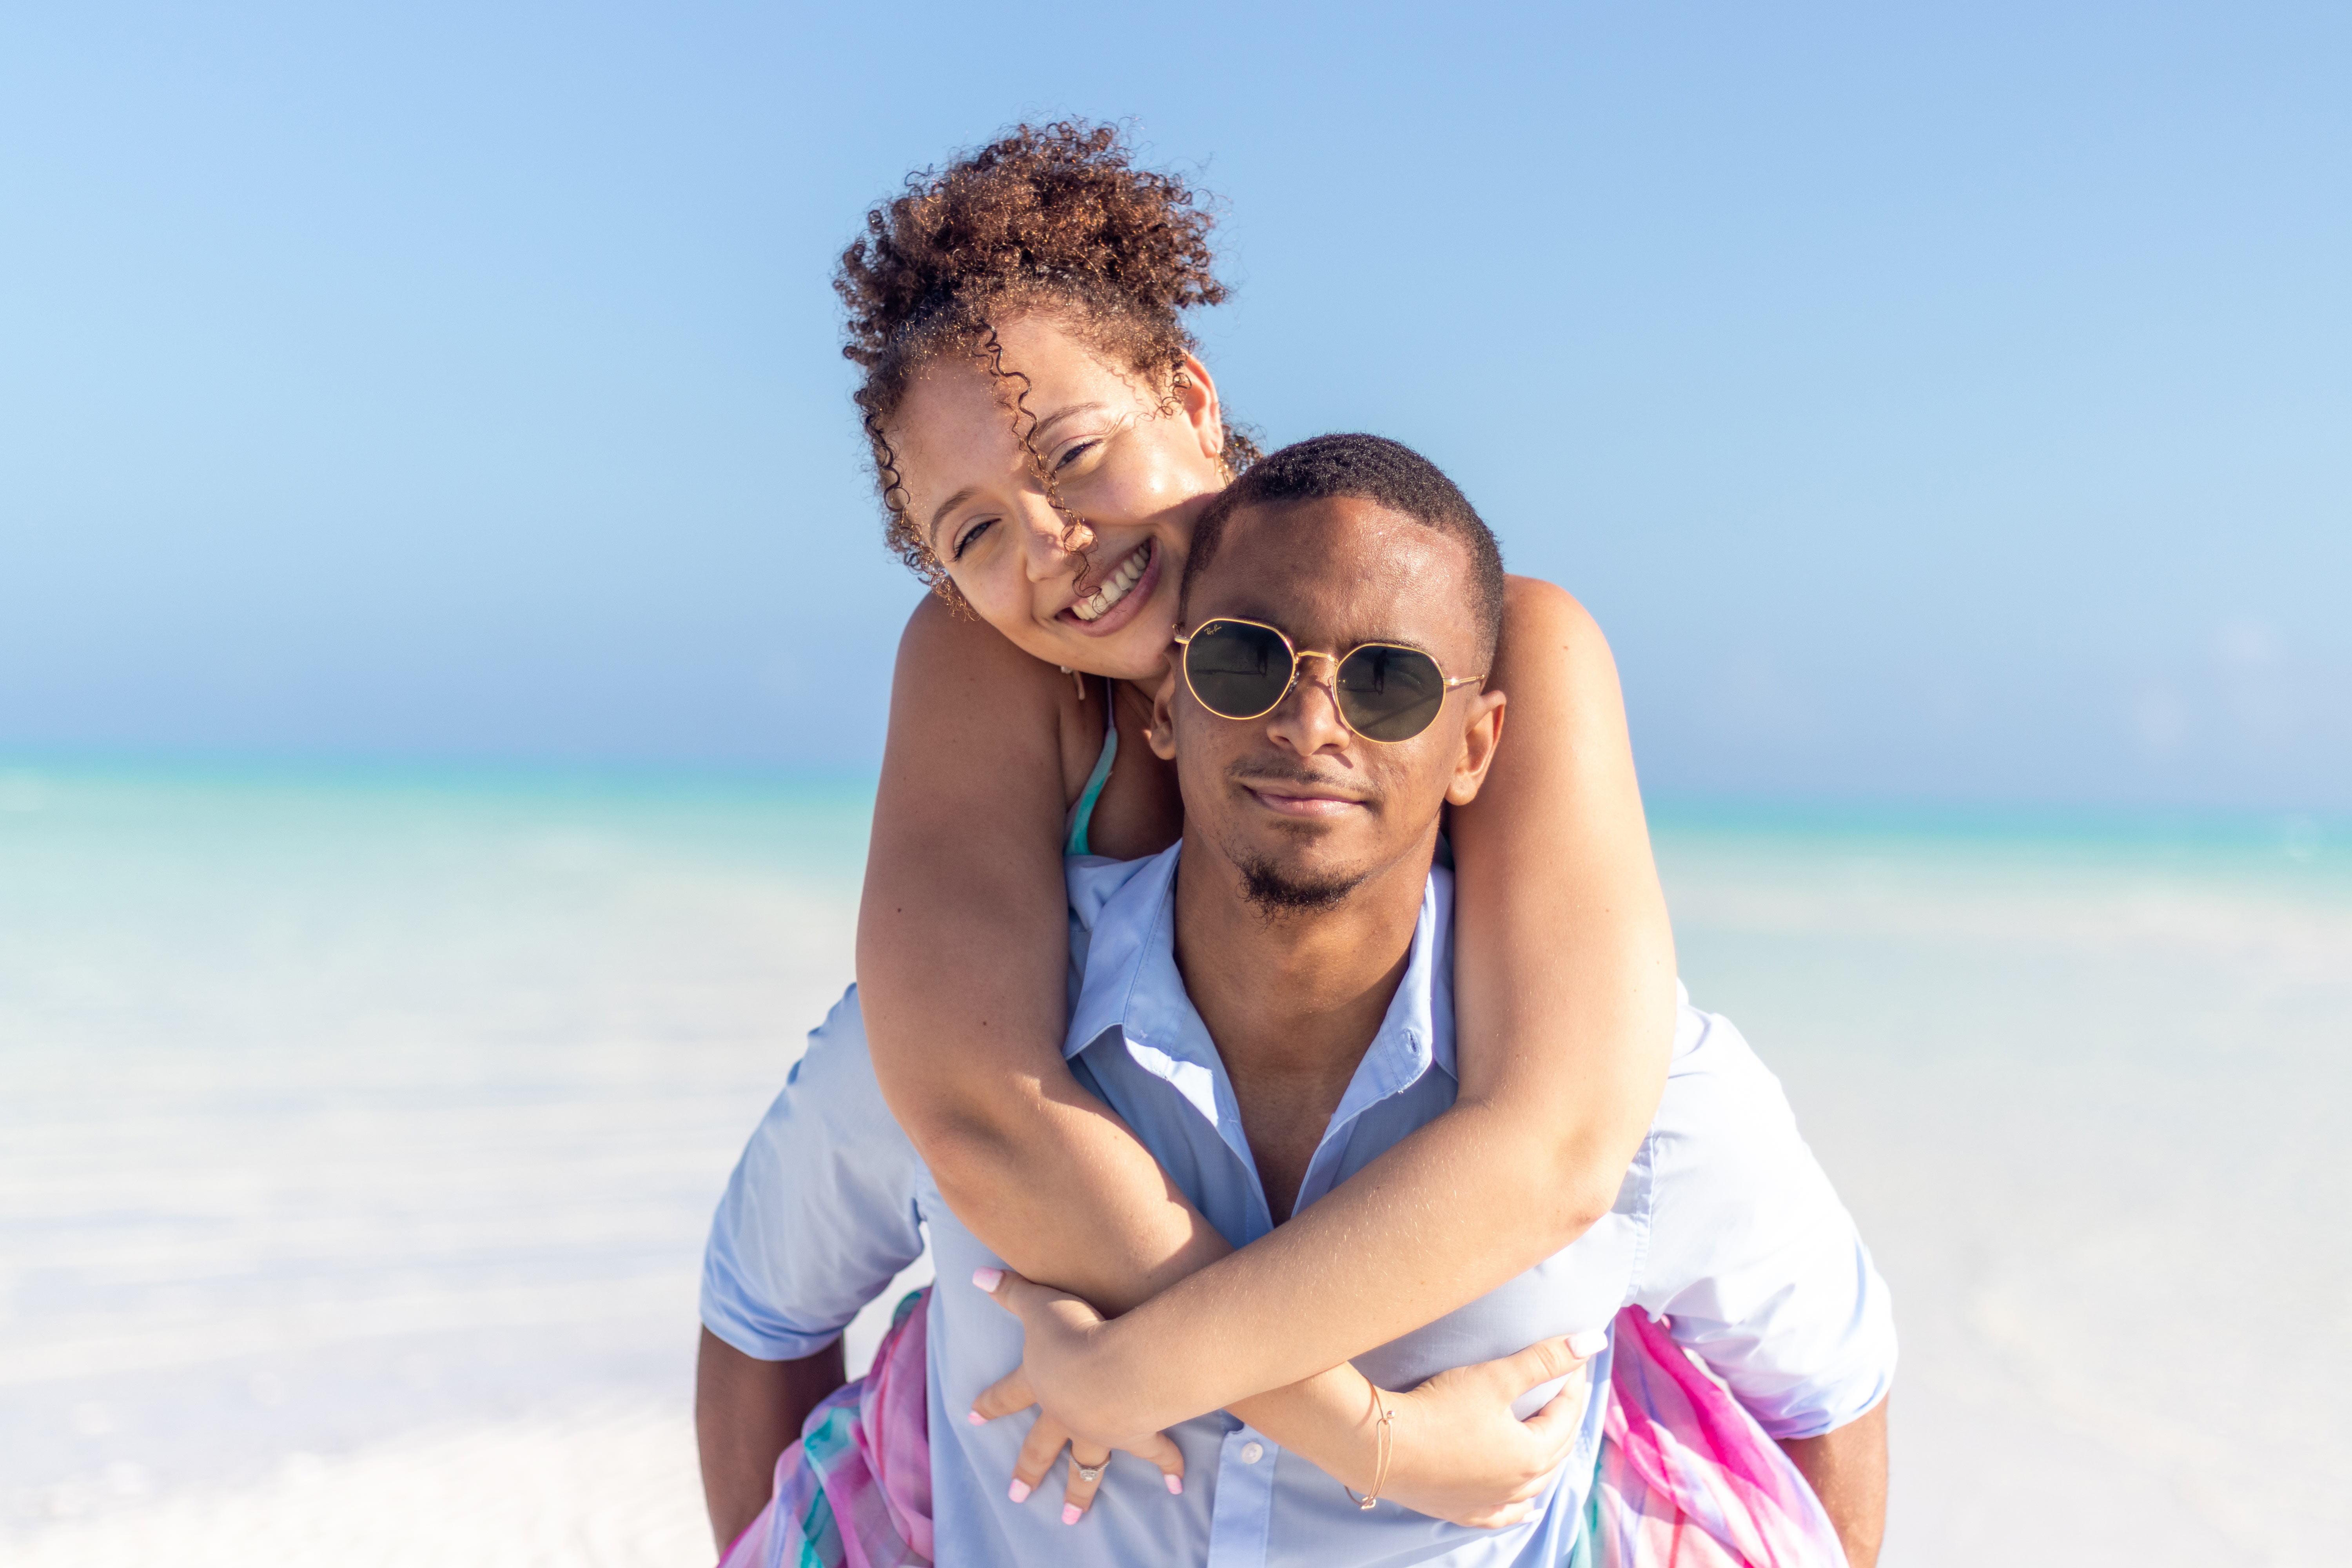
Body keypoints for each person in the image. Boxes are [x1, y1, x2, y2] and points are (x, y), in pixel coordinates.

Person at [698, 121, 1682, 1548]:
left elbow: (1559, 1141)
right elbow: (984, 1117)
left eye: (1074, 454)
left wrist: (1145, 1366)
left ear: (1190, 398)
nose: (1051, 545)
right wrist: (1373, 1437)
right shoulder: (991, 671)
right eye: (973, 535)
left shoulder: (1489, 643)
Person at [701, 435, 1895, 1566]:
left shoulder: (1647, 1093)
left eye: (1389, 682)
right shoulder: (962, 1040)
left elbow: (1827, 1396)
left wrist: (1142, 1366)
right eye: (1245, 661)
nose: (1310, 724)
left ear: (1475, 748)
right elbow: (763, 1315)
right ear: (1164, 705)